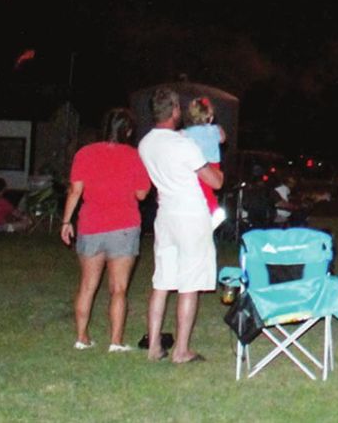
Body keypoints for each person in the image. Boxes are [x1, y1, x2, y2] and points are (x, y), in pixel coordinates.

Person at [138, 85, 222, 364]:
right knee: (190, 283)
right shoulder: (183, 144)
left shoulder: (146, 143)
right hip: (191, 215)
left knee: (161, 281)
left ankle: (153, 347)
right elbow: (215, 181)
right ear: (175, 110)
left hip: (165, 215)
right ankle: (181, 350)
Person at [59, 108, 152, 350]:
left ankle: (81, 337)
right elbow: (141, 194)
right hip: (123, 226)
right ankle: (116, 342)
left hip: (90, 226)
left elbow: (75, 191)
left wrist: (66, 221)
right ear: (128, 131)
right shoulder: (134, 156)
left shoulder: (85, 153)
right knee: (119, 288)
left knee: (87, 285)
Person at [181, 96, 225, 227]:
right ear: (210, 116)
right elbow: (223, 139)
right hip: (214, 164)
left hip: (200, 164)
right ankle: (212, 210)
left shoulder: (187, 132)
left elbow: (177, 137)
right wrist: (217, 127)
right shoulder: (215, 130)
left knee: (202, 188)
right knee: (207, 190)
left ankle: (214, 210)